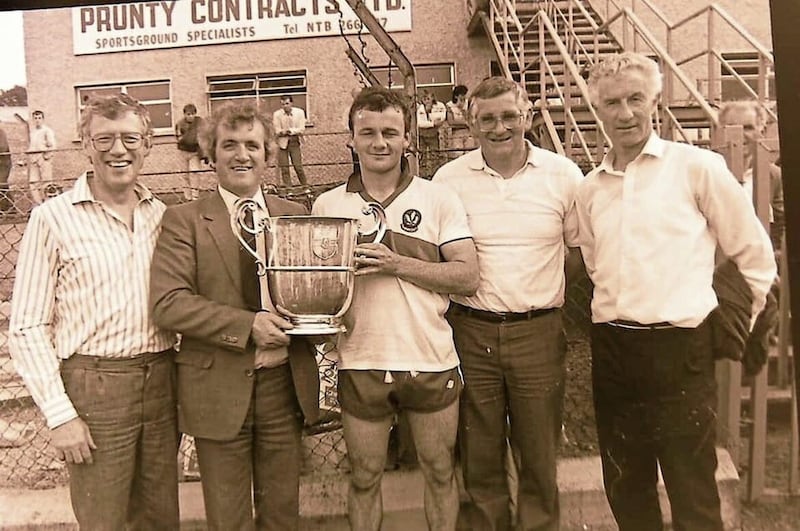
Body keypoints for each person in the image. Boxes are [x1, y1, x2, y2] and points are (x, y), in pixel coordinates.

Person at [575, 52, 776, 531]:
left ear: (656, 104)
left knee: (692, 490)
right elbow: (594, 265)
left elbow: (754, 257)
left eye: (635, 99)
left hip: (681, 350)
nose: (625, 113)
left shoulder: (697, 168)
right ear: (598, 111)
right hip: (615, 350)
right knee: (627, 487)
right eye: (612, 103)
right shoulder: (590, 188)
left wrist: (730, 328)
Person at [8, 94, 179, 530]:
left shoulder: (166, 218)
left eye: (130, 138)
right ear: (85, 143)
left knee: (159, 519)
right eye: (104, 139)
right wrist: (60, 413)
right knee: (103, 521)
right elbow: (27, 326)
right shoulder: (52, 218)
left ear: (148, 144)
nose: (118, 150)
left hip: (162, 381)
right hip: (94, 387)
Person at [312, 86, 479, 531]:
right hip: (360, 360)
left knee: (440, 472)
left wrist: (397, 263)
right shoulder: (328, 204)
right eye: (367, 133)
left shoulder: (437, 197)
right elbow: (323, 292)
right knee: (365, 478)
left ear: (408, 138)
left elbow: (467, 276)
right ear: (350, 138)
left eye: (390, 132)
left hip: (429, 357)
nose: (379, 143)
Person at [150, 101, 320, 530]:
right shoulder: (184, 220)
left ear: (269, 154)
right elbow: (168, 302)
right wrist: (247, 327)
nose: (241, 154)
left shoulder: (294, 216)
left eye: (252, 145)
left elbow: (313, 295)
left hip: (284, 386)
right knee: (229, 520)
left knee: (283, 516)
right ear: (211, 154)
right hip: (217, 388)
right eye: (229, 145)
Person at [433, 76, 584, 531]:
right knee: (479, 457)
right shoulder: (449, 179)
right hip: (471, 331)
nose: (499, 128)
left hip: (537, 332)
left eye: (509, 117)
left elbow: (575, 255)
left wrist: (539, 300)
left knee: (538, 454)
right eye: (487, 119)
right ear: (469, 122)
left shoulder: (563, 175)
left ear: (528, 118)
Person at [718, 100, 784, 249]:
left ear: (761, 131)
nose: (740, 134)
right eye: (732, 127)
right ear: (721, 131)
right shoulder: (705, 170)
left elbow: (782, 225)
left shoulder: (774, 176)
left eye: (748, 127)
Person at [272, 94, 308, 186]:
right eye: (283, 104)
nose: (285, 106)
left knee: (298, 166)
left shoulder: (299, 112)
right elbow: (277, 130)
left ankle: (305, 187)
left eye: (287, 103)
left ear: (291, 103)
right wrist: (283, 132)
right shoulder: (277, 114)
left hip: (294, 141)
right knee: (284, 168)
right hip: (282, 143)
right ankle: (289, 189)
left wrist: (290, 131)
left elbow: (301, 129)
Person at [175, 103, 206, 201]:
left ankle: (195, 196)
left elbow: (204, 135)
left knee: (194, 172)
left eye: (192, 114)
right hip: (183, 151)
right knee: (184, 174)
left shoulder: (200, 122)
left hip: (195, 152)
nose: (190, 116)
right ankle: (187, 196)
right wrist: (187, 138)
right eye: (188, 114)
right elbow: (178, 138)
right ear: (184, 115)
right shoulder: (180, 124)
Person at [25, 110, 56, 204]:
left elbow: (53, 146)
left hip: (43, 158)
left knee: (46, 182)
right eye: (35, 118)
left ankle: (48, 203)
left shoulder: (47, 131)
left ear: (43, 119)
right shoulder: (33, 132)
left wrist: (47, 156)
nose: (37, 120)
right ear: (33, 120)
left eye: (39, 118)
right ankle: (38, 203)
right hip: (34, 159)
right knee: (33, 183)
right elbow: (31, 146)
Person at [417, 89, 447, 177]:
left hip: (433, 134)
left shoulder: (440, 106)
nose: (426, 100)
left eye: (428, 98)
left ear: (432, 98)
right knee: (422, 156)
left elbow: (441, 118)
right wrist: (432, 123)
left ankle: (435, 174)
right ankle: (423, 175)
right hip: (422, 134)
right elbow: (419, 123)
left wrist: (431, 120)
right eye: (424, 98)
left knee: (434, 155)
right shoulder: (418, 108)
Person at [445, 84, 473, 159]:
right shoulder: (449, 105)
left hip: (468, 132)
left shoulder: (468, 104)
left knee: (469, 153)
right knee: (458, 154)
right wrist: (464, 123)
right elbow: (451, 122)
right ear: (456, 96)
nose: (464, 96)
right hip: (457, 132)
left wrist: (463, 110)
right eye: (462, 94)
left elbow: (470, 118)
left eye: (465, 94)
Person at [0, 125, 11, 212]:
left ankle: (9, 208)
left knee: (1, 184)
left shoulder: (1, 133)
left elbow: (3, 147)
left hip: (3, 163)